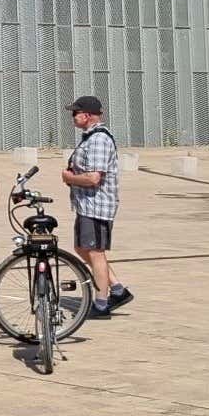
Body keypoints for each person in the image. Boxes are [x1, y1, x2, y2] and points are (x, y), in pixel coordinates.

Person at [63, 95, 135, 317]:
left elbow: (94, 178)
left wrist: (69, 178)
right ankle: (117, 289)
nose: (73, 117)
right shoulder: (90, 137)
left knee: (95, 252)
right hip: (87, 205)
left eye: (75, 113)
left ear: (86, 115)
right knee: (83, 248)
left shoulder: (99, 140)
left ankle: (101, 304)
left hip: (97, 206)